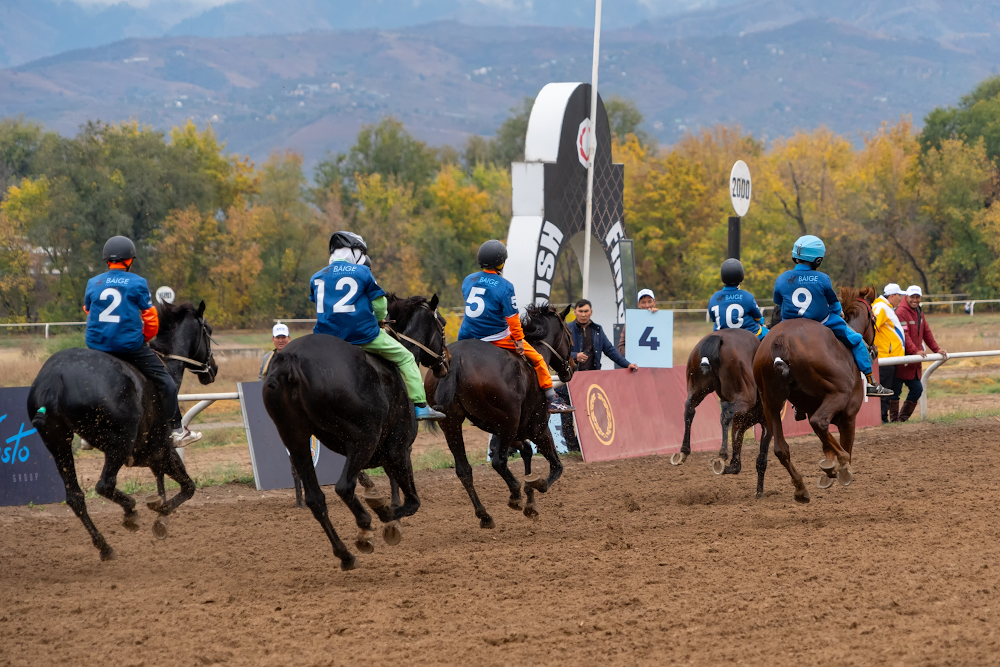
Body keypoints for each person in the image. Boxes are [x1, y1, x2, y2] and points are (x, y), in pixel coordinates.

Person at [310, 231, 444, 420]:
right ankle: (420, 406)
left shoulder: (316, 276)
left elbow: (318, 305)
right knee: (405, 357)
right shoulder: (362, 272)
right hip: (362, 336)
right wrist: (379, 319)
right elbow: (380, 305)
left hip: (326, 339)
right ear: (354, 252)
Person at [84, 236, 201, 447]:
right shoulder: (137, 282)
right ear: (129, 260)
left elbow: (88, 311)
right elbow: (151, 319)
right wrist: (143, 340)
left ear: (107, 260)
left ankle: (87, 435)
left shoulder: (93, 283)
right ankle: (177, 430)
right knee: (166, 382)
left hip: (97, 347)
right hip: (129, 347)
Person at [457, 239, 574, 413]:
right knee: (539, 360)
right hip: (496, 337)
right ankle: (552, 399)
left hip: (467, 335)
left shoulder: (468, 280)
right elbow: (512, 319)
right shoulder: (505, 286)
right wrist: (519, 340)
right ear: (501, 262)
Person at [772, 235, 893, 397]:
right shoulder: (823, 278)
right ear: (817, 259)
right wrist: (838, 312)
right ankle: (871, 383)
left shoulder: (781, 278)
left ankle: (778, 365)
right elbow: (834, 305)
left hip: (789, 324)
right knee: (857, 340)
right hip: (823, 321)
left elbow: (778, 302)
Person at [894, 285, 947, 422]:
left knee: (917, 389)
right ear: (906, 297)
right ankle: (892, 421)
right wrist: (915, 351)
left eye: (917, 297)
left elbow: (926, 333)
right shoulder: (900, 312)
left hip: (914, 362)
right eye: (912, 297)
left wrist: (936, 349)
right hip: (901, 360)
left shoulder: (919, 312)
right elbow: (904, 335)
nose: (915, 300)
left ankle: (901, 420)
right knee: (895, 392)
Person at [707, 258, 768, 340]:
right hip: (748, 333)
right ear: (741, 276)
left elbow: (714, 319)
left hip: (720, 336)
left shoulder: (714, 297)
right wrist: (762, 323)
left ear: (723, 277)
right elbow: (757, 317)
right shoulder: (747, 296)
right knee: (771, 336)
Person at [872, 283, 906, 422]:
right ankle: (882, 418)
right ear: (892, 296)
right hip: (885, 357)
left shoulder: (886, 307)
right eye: (899, 296)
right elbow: (873, 326)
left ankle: (883, 417)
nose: (900, 299)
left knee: (889, 389)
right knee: (884, 390)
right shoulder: (881, 307)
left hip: (890, 357)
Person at [617, 288, 659, 356]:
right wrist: (632, 357)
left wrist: (657, 317)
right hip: (637, 364)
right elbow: (621, 346)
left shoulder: (661, 319)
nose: (647, 305)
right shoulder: (631, 321)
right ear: (638, 304)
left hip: (656, 364)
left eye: (650, 301)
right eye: (643, 302)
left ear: (654, 302)